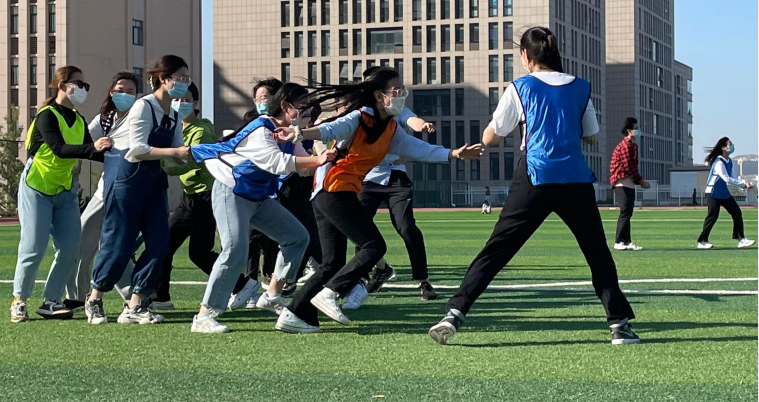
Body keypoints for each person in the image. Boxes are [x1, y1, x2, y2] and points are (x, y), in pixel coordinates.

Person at [428, 27, 638, 346]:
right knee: (597, 253)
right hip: (575, 179)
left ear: (525, 55)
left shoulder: (520, 87)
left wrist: (490, 136)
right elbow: (592, 136)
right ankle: (619, 325)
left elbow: (492, 135)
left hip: (534, 176)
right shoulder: (581, 87)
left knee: (498, 248)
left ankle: (454, 314)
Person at [272, 67, 483, 334]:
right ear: (379, 96)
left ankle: (294, 313)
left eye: (402, 89)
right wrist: (299, 134)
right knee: (373, 246)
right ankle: (330, 293)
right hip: (333, 190)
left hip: (333, 194)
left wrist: (453, 154)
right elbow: (330, 129)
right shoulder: (359, 118)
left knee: (332, 263)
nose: (402, 94)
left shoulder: (391, 128)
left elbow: (419, 149)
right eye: (396, 90)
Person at [188, 83, 336, 333]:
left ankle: (272, 294)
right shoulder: (261, 128)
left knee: (297, 237)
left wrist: (332, 159)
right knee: (235, 249)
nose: (307, 112)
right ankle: (205, 315)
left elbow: (303, 167)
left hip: (257, 197)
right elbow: (277, 163)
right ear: (286, 106)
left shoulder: (290, 133)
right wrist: (318, 158)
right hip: (232, 190)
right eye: (303, 107)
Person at [85, 55, 192, 325]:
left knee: (159, 243)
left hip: (153, 182)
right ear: (163, 79)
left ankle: (135, 304)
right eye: (179, 78)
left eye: (187, 78)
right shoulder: (144, 106)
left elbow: (177, 155)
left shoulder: (174, 114)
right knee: (119, 242)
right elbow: (137, 150)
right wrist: (176, 152)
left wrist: (197, 154)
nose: (184, 84)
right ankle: (95, 298)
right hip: (125, 179)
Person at [10, 66, 112, 323]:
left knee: (70, 249)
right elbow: (59, 149)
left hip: (65, 189)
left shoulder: (78, 119)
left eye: (86, 86)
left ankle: (51, 301)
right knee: (33, 247)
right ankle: (19, 300)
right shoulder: (46, 115)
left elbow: (93, 152)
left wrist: (124, 157)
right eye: (79, 84)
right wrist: (92, 148)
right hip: (37, 187)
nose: (84, 89)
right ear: (62, 86)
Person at [63, 72, 140, 312]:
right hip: (104, 189)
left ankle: (133, 298)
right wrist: (98, 147)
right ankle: (77, 296)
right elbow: (86, 144)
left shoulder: (142, 119)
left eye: (130, 91)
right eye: (120, 90)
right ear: (111, 92)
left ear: (138, 96)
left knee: (116, 246)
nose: (124, 95)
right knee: (82, 238)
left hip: (130, 192)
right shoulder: (104, 120)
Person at [152, 82, 220, 309]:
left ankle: (241, 286)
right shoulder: (176, 128)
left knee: (199, 254)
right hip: (189, 196)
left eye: (186, 100)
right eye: (177, 99)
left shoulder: (202, 131)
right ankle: (160, 297)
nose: (180, 104)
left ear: (195, 103)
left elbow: (192, 163)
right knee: (164, 244)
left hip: (205, 196)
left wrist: (160, 165)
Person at [697, 137, 755, 249]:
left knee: (736, 212)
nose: (732, 146)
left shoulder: (729, 161)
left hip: (724, 193)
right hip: (713, 192)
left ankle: (741, 239)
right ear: (724, 148)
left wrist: (743, 184)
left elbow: (733, 177)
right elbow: (726, 178)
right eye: (730, 144)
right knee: (713, 216)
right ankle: (702, 241)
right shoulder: (719, 162)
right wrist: (743, 184)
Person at [609, 117, 650, 251]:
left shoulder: (633, 146)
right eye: (636, 128)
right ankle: (619, 241)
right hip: (621, 181)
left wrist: (637, 181)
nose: (638, 130)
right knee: (625, 211)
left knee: (628, 212)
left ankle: (627, 241)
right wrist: (641, 181)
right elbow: (629, 166)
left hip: (628, 182)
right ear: (629, 131)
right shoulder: (625, 146)